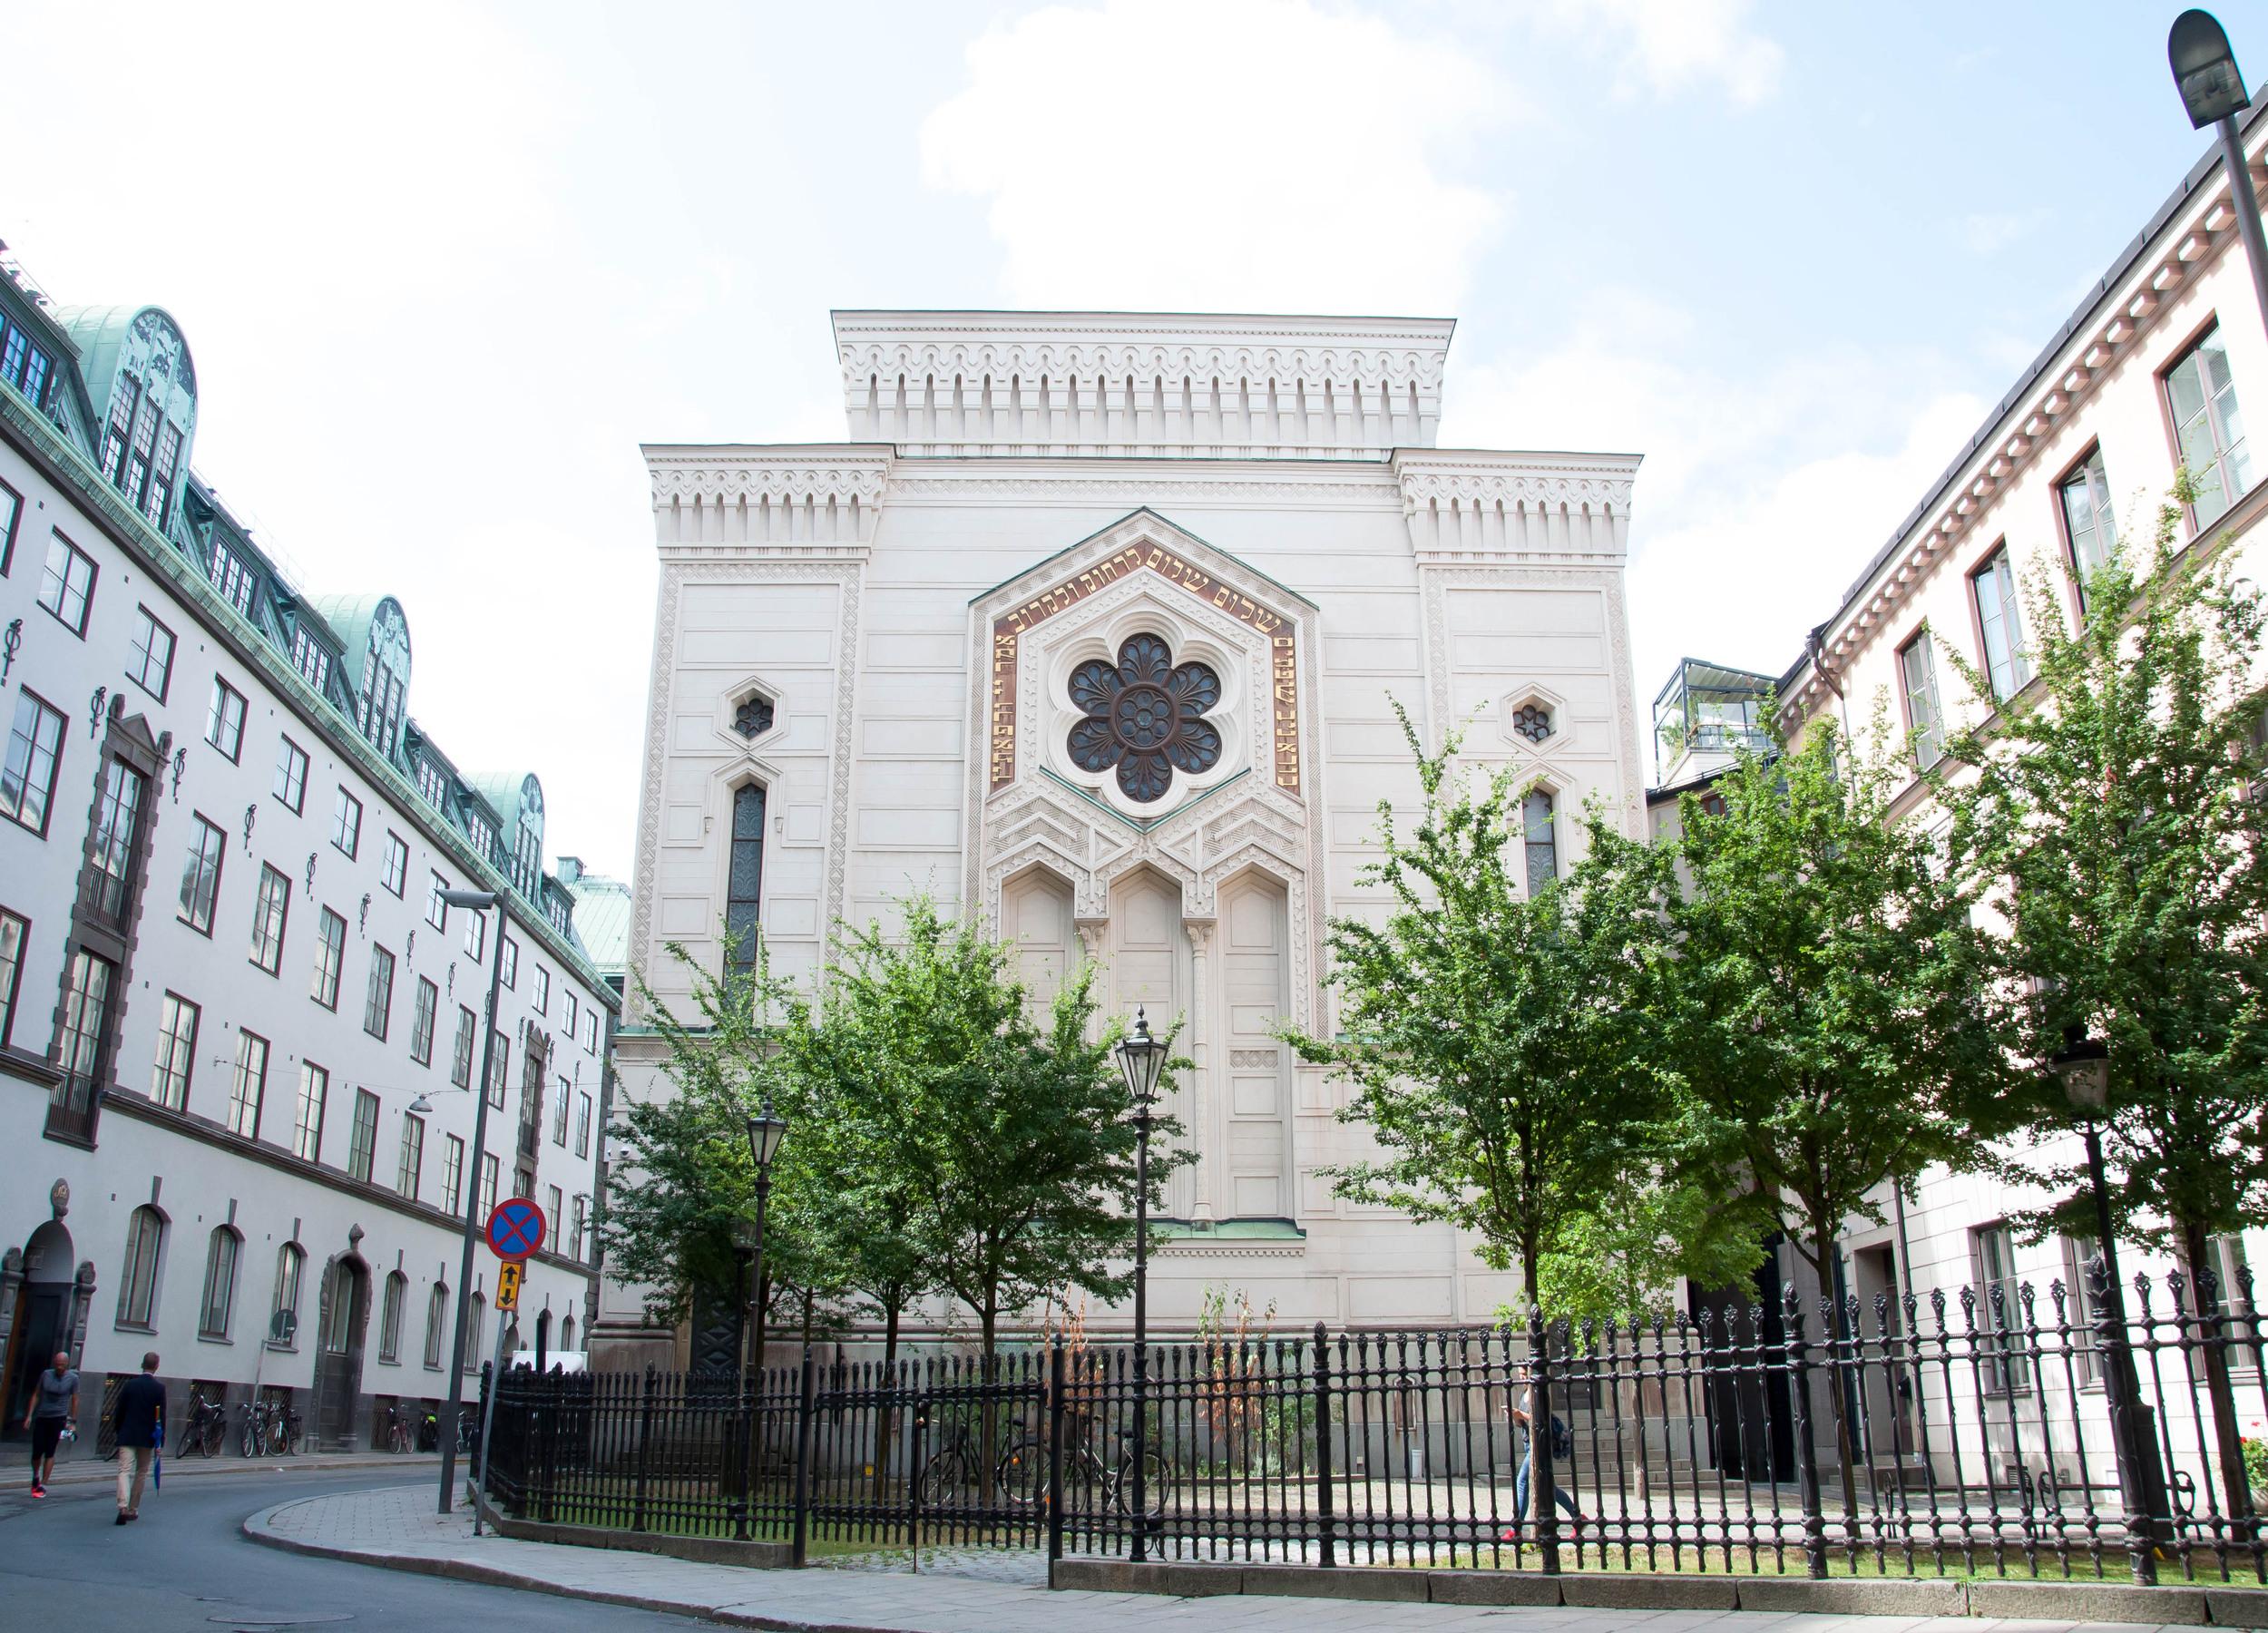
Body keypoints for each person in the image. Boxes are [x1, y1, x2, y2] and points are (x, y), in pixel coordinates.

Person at [1509, 1373, 1580, 1537]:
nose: (1523, 1378)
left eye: (1525, 1374)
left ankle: (1516, 1528)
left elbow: (1541, 1420)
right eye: (1520, 1375)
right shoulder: (1524, 1393)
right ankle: (1577, 1518)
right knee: (1549, 1488)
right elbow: (1522, 1423)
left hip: (1539, 1444)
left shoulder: (1539, 1393)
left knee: (1522, 1482)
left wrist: (1522, 1415)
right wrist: (1515, 1417)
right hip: (1528, 1443)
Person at [110, 1351, 165, 1524]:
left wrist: (118, 1430)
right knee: (141, 1472)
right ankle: (133, 1508)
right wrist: (160, 1442)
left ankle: (122, 1505)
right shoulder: (159, 1388)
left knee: (124, 1470)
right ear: (156, 1367)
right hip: (147, 1438)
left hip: (127, 1434)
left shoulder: (129, 1385)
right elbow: (161, 1417)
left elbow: (119, 1411)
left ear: (142, 1365)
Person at [22, 1351, 78, 1497]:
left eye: (62, 1365)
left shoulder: (72, 1378)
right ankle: (35, 1476)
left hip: (58, 1418)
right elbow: (36, 1394)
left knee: (50, 1450)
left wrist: (72, 1421)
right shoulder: (46, 1374)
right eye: (57, 1364)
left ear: (67, 1364)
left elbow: (75, 1400)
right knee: (37, 1451)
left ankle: (44, 1482)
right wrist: (29, 1416)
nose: (59, 1367)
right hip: (42, 1416)